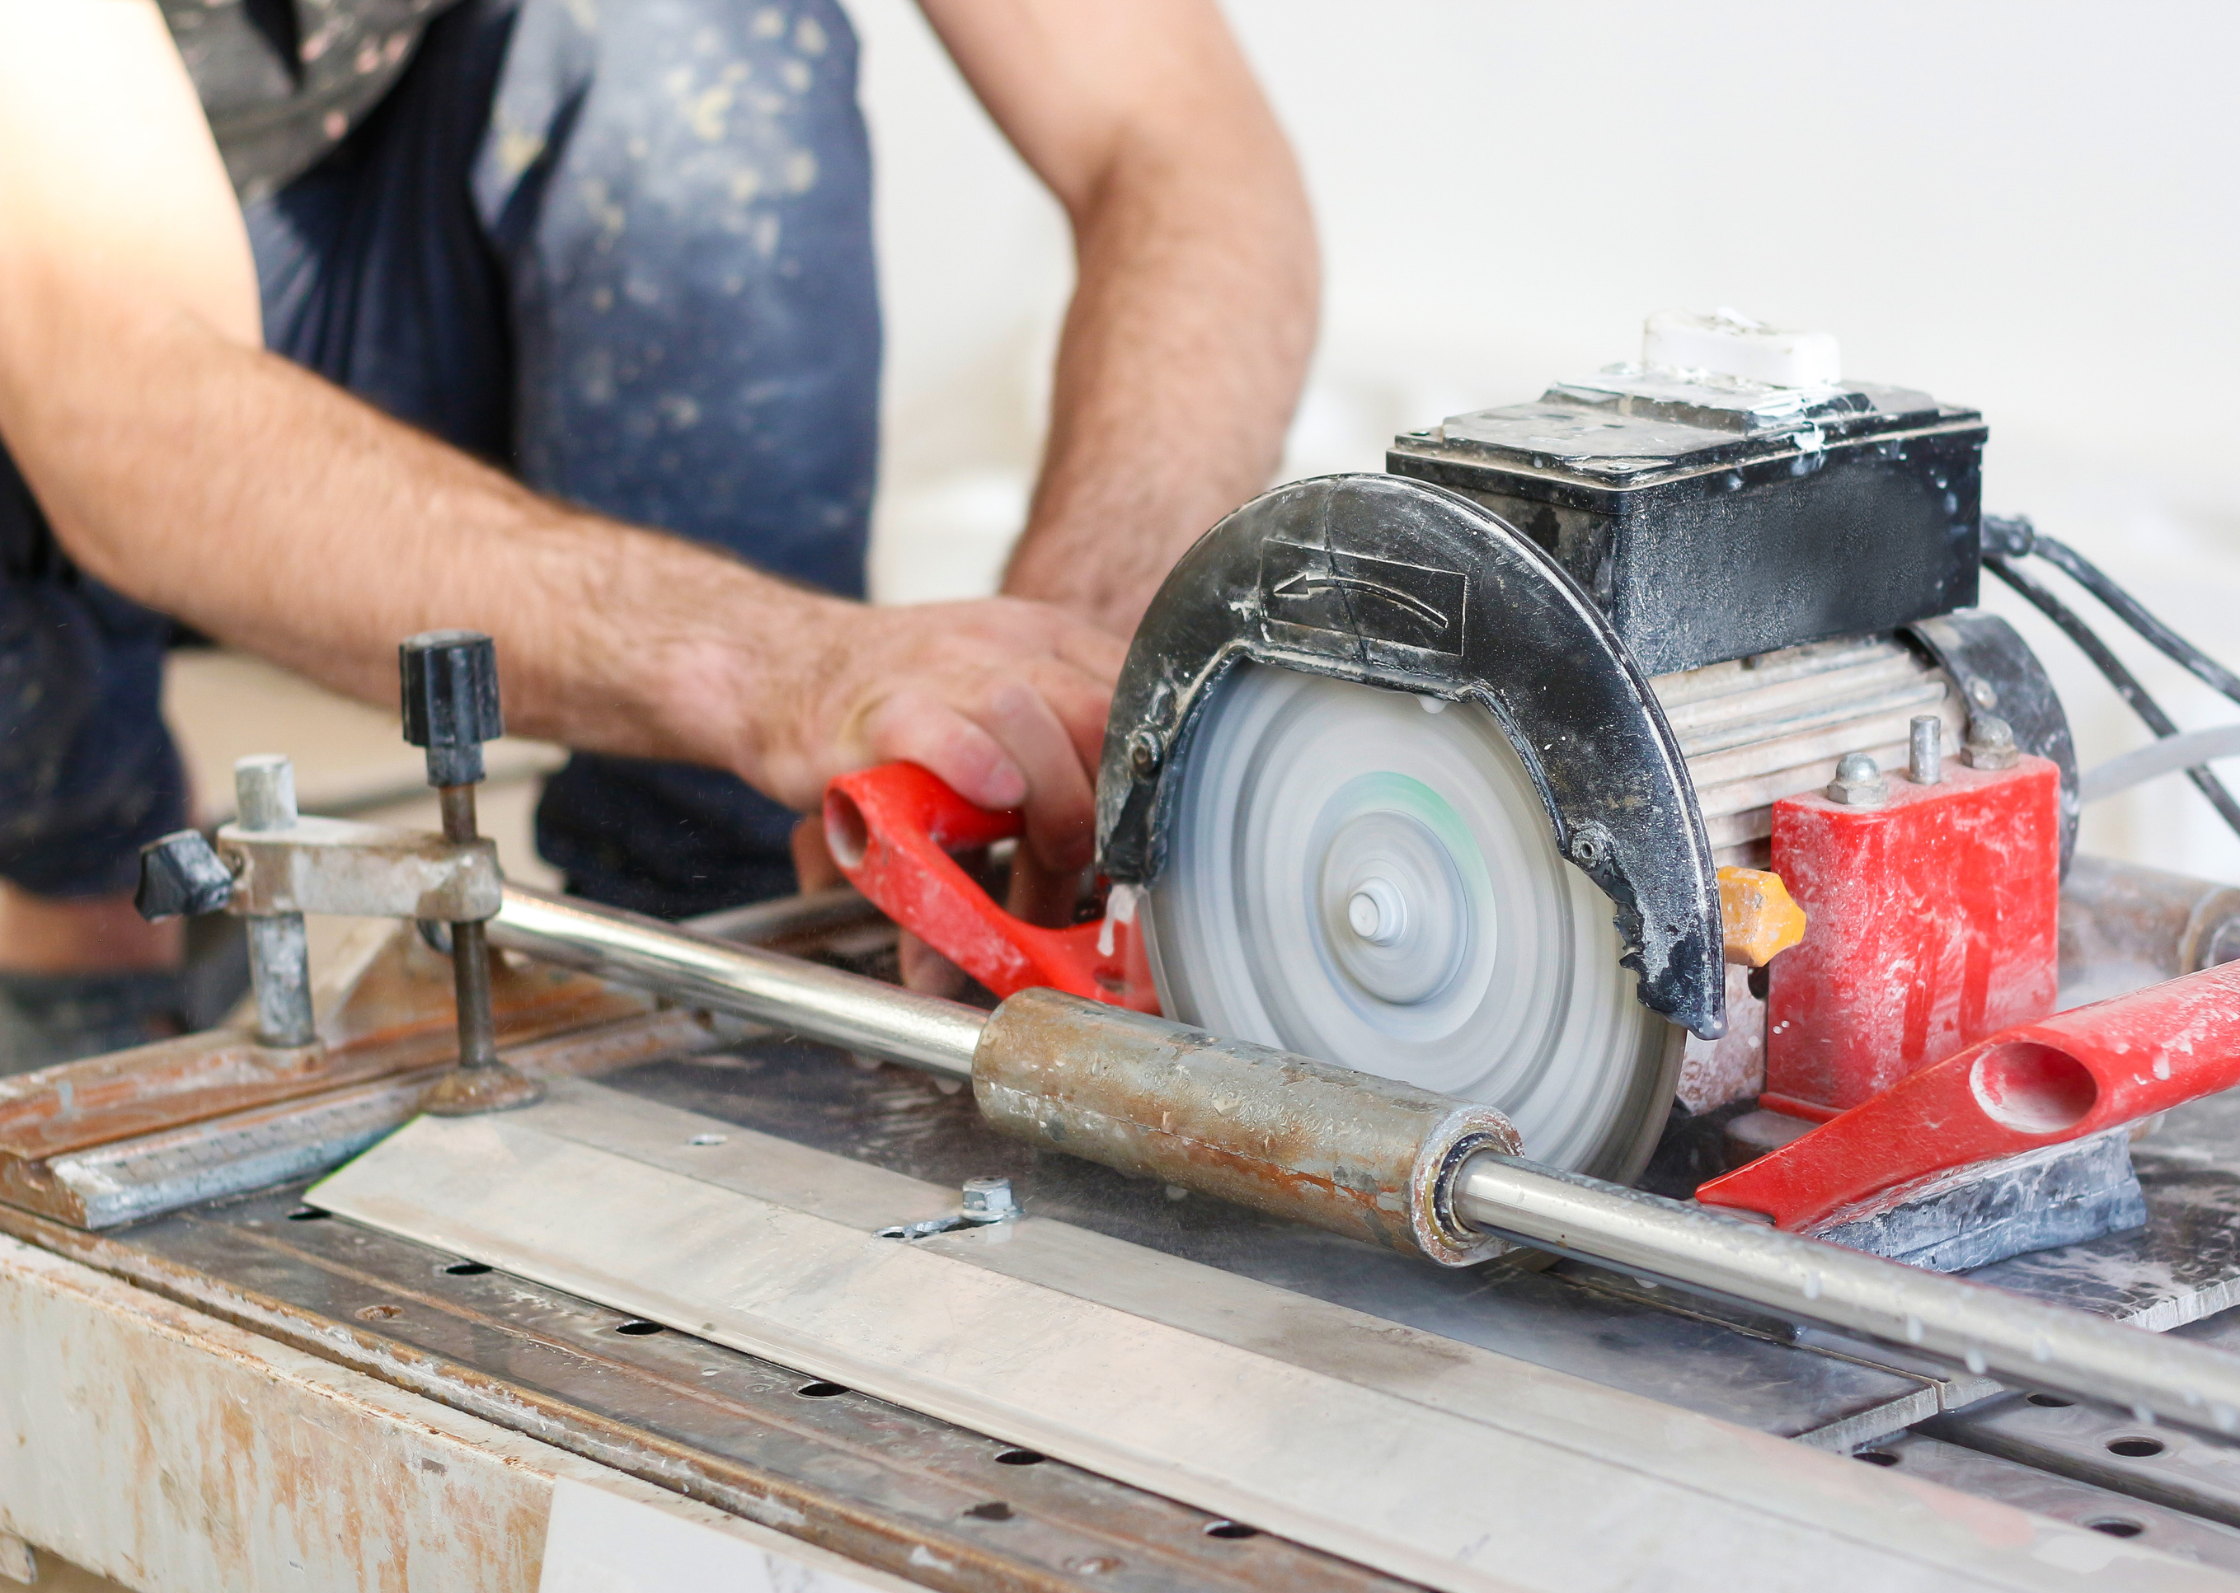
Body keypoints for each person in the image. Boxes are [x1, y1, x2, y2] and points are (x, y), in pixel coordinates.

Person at [0, 0, 1318, 1068]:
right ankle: (67, 936)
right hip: (72, 315)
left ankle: (711, 922)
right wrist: (769, 662)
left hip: (386, 270)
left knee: (702, 36)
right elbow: (119, 396)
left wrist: (1066, 688)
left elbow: (1179, 145)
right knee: (80, 901)